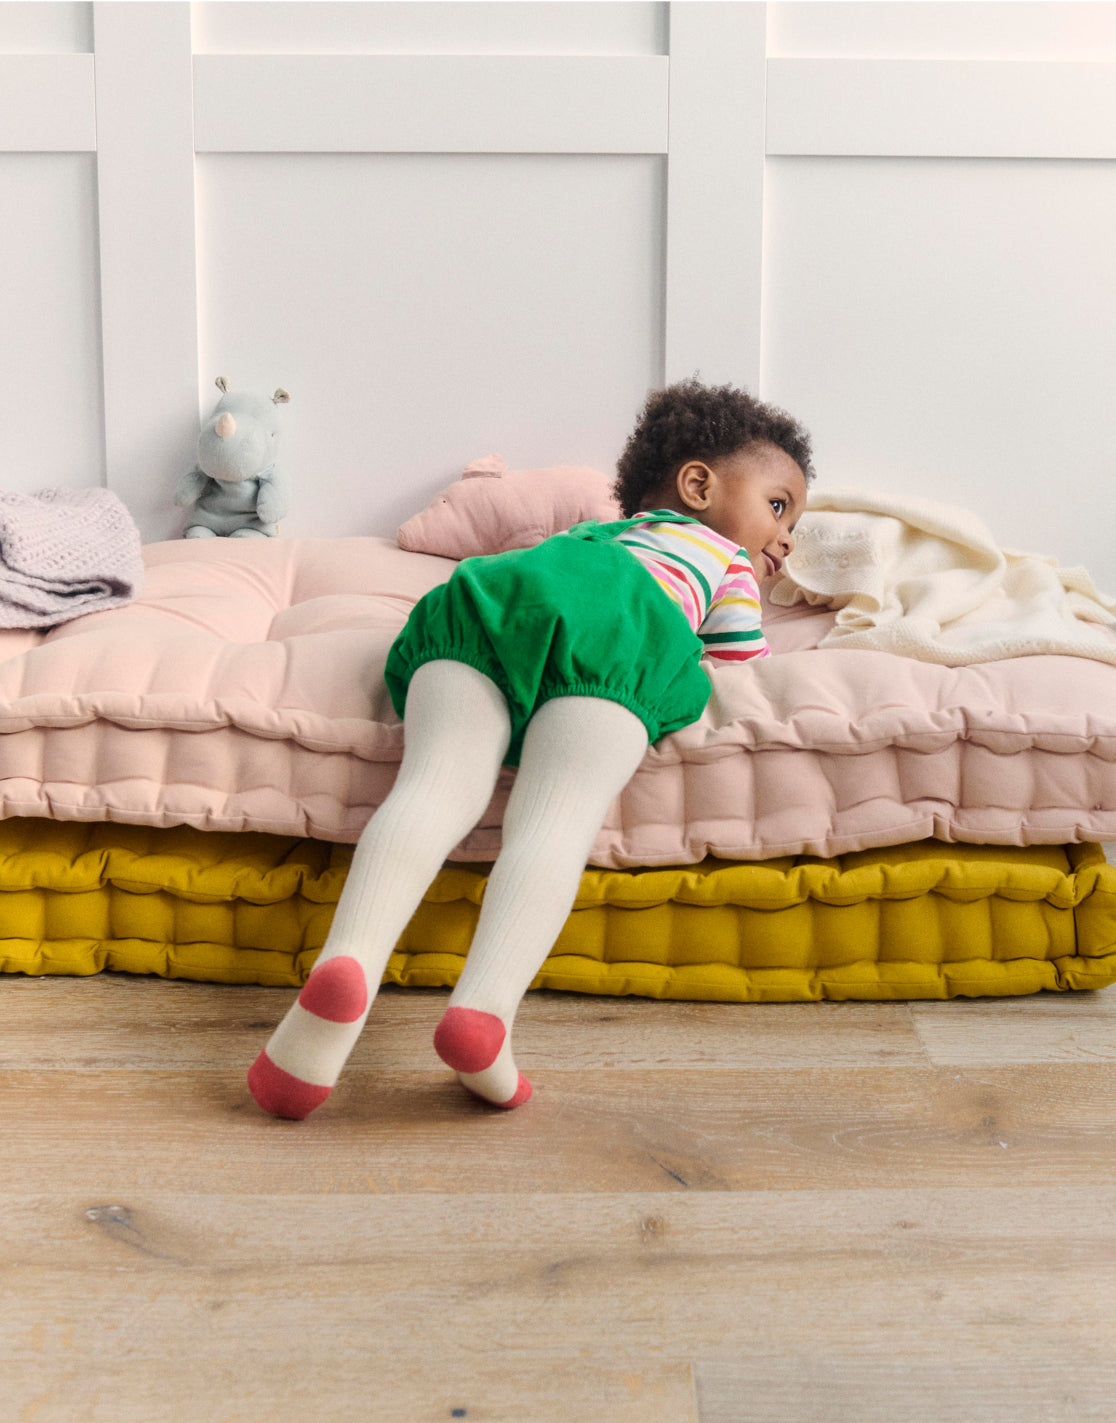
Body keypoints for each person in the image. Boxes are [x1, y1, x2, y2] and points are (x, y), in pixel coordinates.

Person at [247, 377, 814, 1119]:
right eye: (779, 506)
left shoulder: (588, 535)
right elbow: (745, 667)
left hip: (497, 598)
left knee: (431, 789)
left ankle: (337, 981)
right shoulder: (727, 565)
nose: (787, 537)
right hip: (618, 629)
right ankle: (483, 1012)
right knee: (555, 823)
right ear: (699, 484)